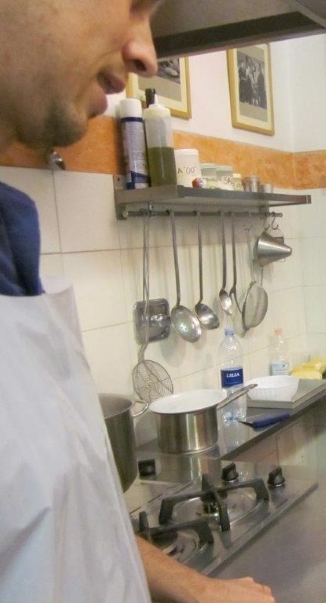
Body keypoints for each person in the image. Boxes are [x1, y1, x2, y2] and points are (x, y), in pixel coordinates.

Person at [0, 2, 274, 601]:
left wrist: (196, 589)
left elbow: (76, 524)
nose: (148, 53)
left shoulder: (13, 238)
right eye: (132, 3)